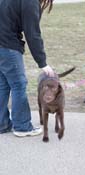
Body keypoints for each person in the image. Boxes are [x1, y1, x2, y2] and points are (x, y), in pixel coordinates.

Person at [0, 0, 55, 137]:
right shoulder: (29, 2)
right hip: (8, 46)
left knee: (3, 85)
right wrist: (42, 62)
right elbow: (33, 34)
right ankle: (22, 126)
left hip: (3, 43)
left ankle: (2, 123)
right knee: (19, 85)